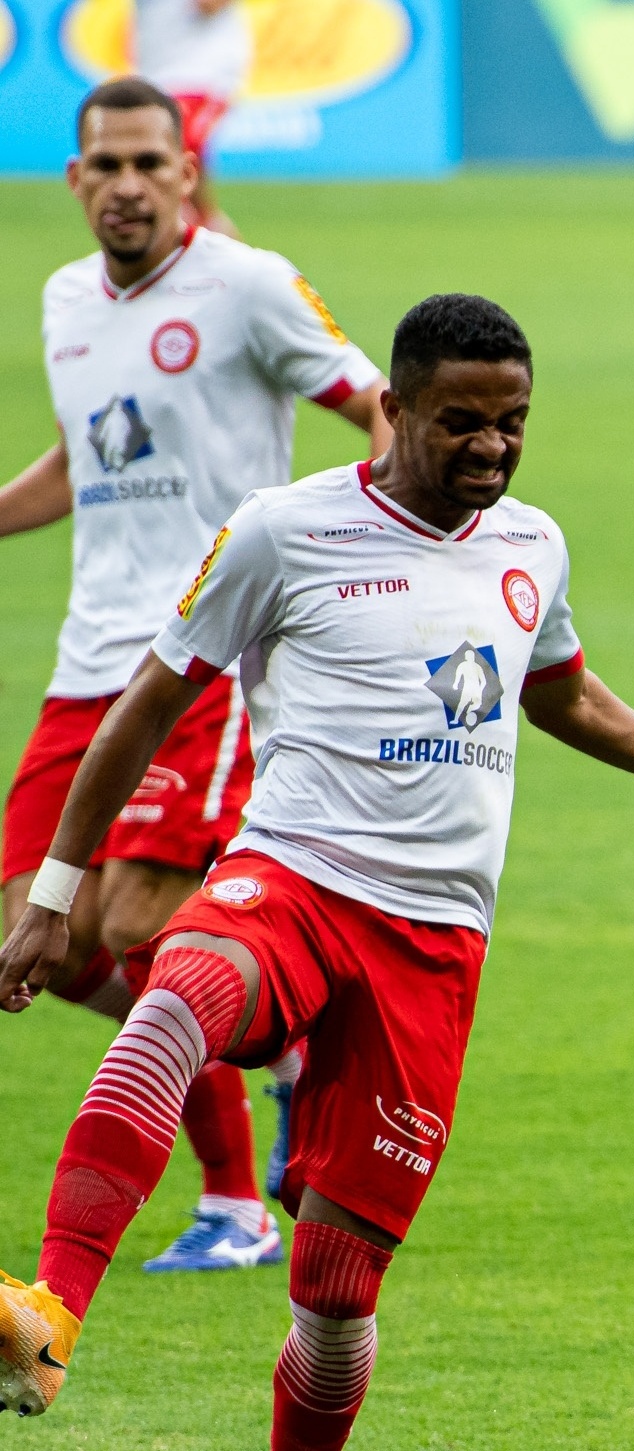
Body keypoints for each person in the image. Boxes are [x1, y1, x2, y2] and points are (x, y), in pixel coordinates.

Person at [0, 294, 634, 1451]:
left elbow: (559, 687)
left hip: (433, 946)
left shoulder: (533, 543)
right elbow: (149, 702)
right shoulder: (285, 530)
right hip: (290, 877)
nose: (491, 447)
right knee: (177, 994)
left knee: (337, 1290)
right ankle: (48, 1311)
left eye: (511, 422)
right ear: (395, 408)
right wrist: (58, 891)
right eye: (462, 421)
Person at [1, 77, 389, 1273]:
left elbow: (387, 414)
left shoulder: (247, 285)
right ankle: (275, 1042)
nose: (125, 186)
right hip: (88, 663)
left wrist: (362, 567)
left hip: (204, 653)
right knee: (36, 942)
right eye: (103, 167)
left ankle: (234, 1205)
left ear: (185, 174)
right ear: (75, 181)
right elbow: (87, 459)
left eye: (147, 166)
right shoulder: (68, 298)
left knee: (129, 917)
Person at [129, 4, 250, 239]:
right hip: (157, 74)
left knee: (174, 155)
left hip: (200, 72)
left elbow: (209, 5)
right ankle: (210, 228)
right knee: (171, 162)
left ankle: (201, 236)